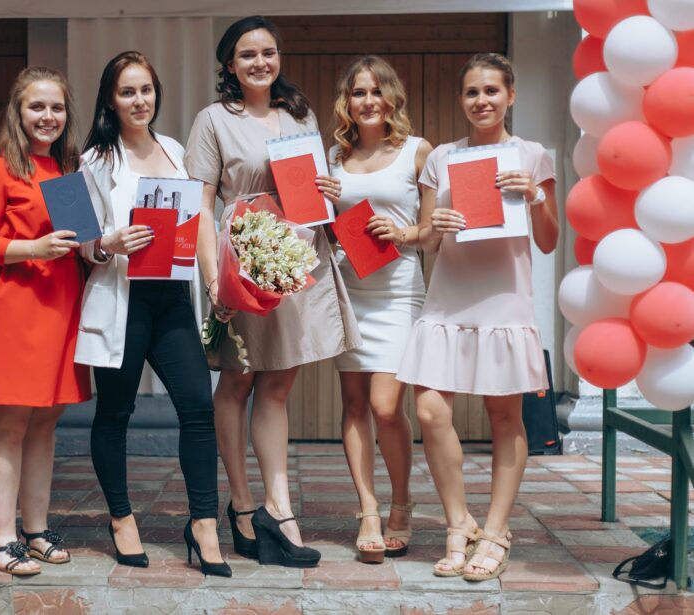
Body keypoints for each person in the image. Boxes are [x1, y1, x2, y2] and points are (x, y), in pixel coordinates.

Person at [185, 15, 359, 568]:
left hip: (297, 254)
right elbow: (200, 207)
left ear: (279, 57)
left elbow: (313, 187)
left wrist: (329, 188)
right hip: (246, 253)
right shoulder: (213, 120)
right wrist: (213, 277)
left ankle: (278, 508)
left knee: (279, 383)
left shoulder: (299, 114)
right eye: (247, 54)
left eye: (268, 52)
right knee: (238, 379)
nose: (260, 62)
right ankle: (241, 504)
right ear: (229, 64)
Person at [396, 52, 559, 582]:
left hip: (503, 300)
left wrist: (534, 196)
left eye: (491, 90)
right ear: (461, 99)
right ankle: (457, 522)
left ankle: (495, 531)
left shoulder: (533, 155)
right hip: (448, 299)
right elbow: (426, 239)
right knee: (430, 411)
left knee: (505, 417)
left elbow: (549, 240)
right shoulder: (442, 158)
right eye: (472, 92)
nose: (481, 100)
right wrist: (436, 226)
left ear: (511, 95)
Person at [76, 51, 229, 577]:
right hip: (123, 299)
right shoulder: (93, 160)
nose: (139, 101)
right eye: (127, 92)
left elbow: (198, 218)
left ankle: (203, 524)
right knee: (115, 413)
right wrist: (109, 242)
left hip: (172, 299)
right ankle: (121, 518)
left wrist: (212, 280)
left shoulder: (175, 149)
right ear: (111, 100)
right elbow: (79, 242)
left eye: (146, 90)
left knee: (198, 407)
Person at [0, 66, 90, 576]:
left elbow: (81, 240)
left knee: (46, 422)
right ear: (17, 112)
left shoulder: (68, 169)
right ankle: (1, 539)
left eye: (56, 107)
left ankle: (35, 530)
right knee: (10, 424)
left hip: (63, 305)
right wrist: (32, 248)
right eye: (36, 106)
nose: (48, 116)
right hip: (18, 308)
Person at [329, 55, 432, 563]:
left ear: (392, 98)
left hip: (398, 290)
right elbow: (322, 227)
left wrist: (403, 232)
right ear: (346, 102)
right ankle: (369, 511)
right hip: (349, 287)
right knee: (353, 404)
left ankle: (402, 501)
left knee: (386, 406)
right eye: (358, 92)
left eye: (376, 91)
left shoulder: (417, 151)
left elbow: (432, 231)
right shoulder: (333, 156)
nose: (367, 101)